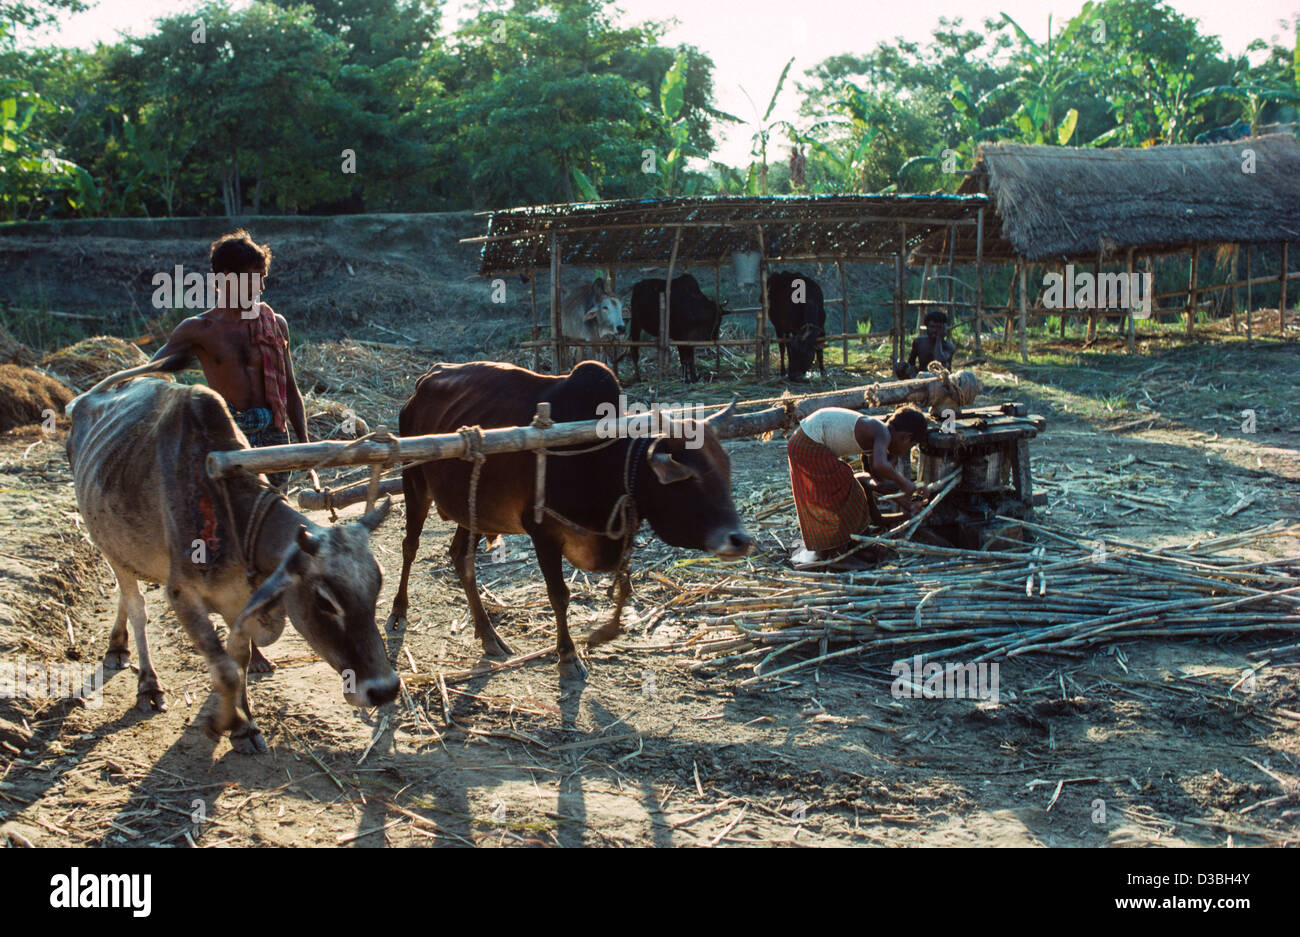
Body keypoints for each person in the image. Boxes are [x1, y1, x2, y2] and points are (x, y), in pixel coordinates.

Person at [150, 230, 310, 491]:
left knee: (274, 511)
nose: (260, 288)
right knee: (234, 513)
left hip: (274, 436)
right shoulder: (199, 330)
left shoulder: (274, 324)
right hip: (228, 437)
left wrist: (304, 444)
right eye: (253, 279)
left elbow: (289, 388)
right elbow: (151, 375)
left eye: (262, 279)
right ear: (225, 280)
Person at [787, 405, 929, 569]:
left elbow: (877, 481)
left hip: (805, 441)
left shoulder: (876, 436)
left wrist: (907, 505)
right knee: (845, 487)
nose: (905, 451)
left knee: (853, 485)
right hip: (808, 444)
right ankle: (837, 555)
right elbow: (879, 465)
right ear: (906, 437)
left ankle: (847, 547)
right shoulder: (881, 431)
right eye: (910, 447)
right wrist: (906, 483)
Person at [894, 310, 955, 380]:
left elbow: (938, 362)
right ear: (927, 327)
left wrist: (939, 339)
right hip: (922, 378)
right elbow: (911, 363)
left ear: (943, 329)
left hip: (941, 380)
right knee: (899, 367)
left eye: (938, 327)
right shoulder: (919, 342)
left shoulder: (949, 347)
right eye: (932, 327)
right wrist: (903, 366)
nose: (935, 330)